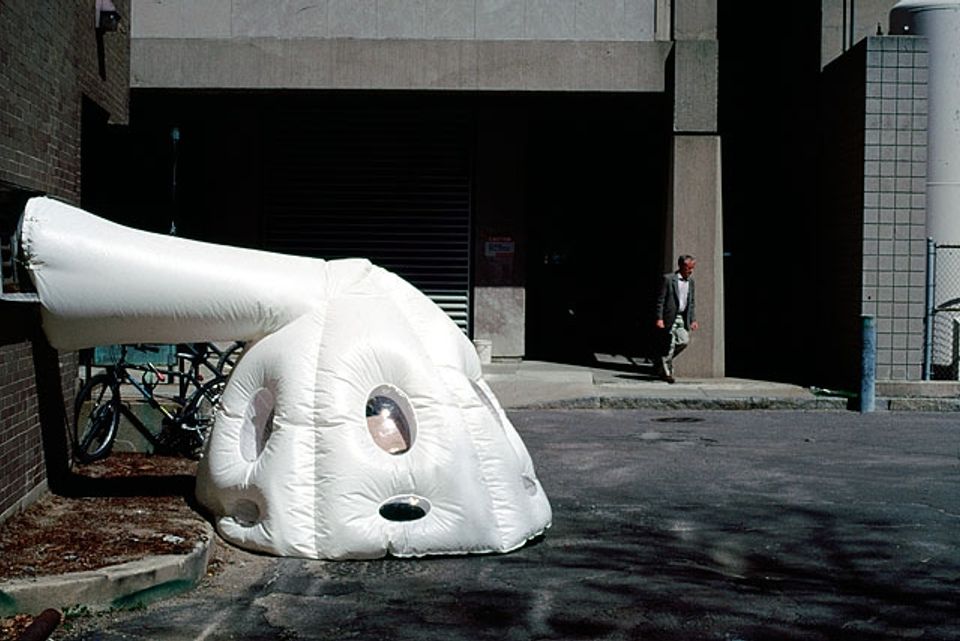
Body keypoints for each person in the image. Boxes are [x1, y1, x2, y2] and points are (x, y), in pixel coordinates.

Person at [654, 255, 698, 383]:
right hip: (669, 317)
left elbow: (691, 302)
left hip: (682, 317)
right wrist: (659, 318)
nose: (691, 271)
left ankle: (662, 360)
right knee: (670, 344)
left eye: (692, 268)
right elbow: (661, 300)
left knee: (683, 341)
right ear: (682, 266)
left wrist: (693, 319)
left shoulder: (691, 282)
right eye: (689, 268)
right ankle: (668, 374)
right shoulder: (668, 279)